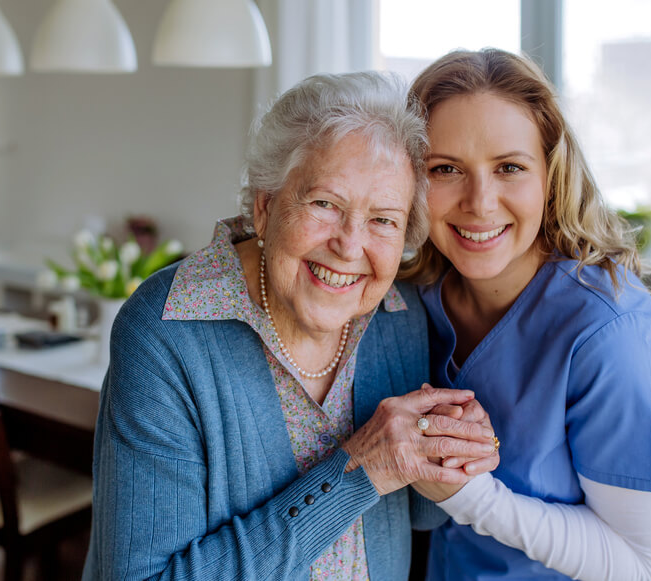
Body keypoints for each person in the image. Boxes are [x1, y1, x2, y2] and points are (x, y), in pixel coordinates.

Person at [82, 71, 500, 580]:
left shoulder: (399, 315)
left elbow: (416, 513)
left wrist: (448, 449)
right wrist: (359, 470)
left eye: (383, 220)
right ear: (265, 207)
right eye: (325, 203)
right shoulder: (169, 331)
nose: (350, 245)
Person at [399, 48, 651, 580]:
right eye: (445, 168)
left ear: (551, 176)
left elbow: (640, 560)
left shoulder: (612, 338)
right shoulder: (413, 298)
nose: (480, 201)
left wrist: (471, 496)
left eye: (509, 168)